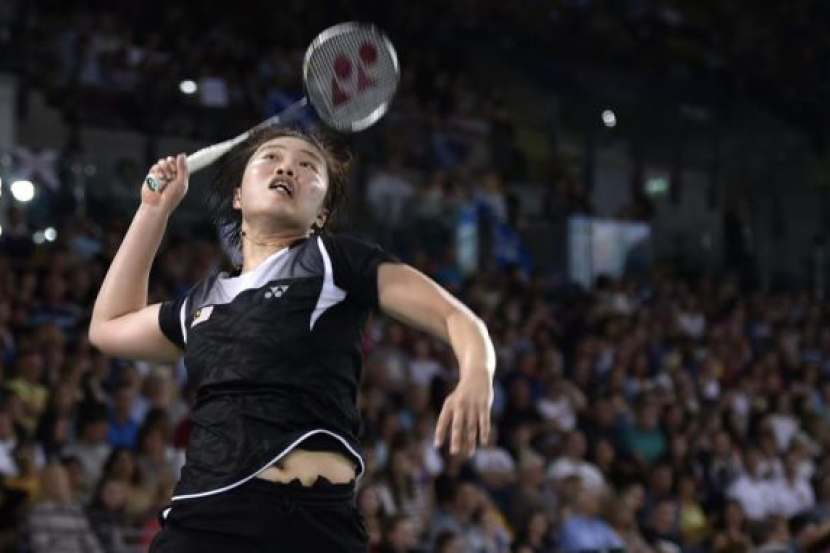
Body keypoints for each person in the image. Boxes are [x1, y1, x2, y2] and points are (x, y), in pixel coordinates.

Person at [89, 127, 496, 552]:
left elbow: (455, 317)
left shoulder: (333, 261)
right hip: (207, 517)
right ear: (237, 196)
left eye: (307, 166)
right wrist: (153, 211)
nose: (286, 167)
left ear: (320, 215)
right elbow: (108, 327)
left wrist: (476, 374)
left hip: (316, 522)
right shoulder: (200, 303)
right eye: (270, 157)